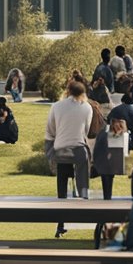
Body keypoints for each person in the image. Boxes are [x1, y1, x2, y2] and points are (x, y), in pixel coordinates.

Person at [46, 80, 94, 237]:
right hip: (78, 150)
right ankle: (85, 208)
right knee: (83, 182)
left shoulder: (56, 106)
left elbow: (51, 130)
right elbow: (86, 130)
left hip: (61, 150)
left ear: (68, 90)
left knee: (62, 189)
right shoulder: (87, 108)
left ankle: (60, 224)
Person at [92, 117, 129, 200]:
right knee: (107, 176)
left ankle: (107, 197)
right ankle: (107, 197)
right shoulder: (106, 135)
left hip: (104, 163)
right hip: (105, 163)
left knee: (107, 179)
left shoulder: (103, 133)